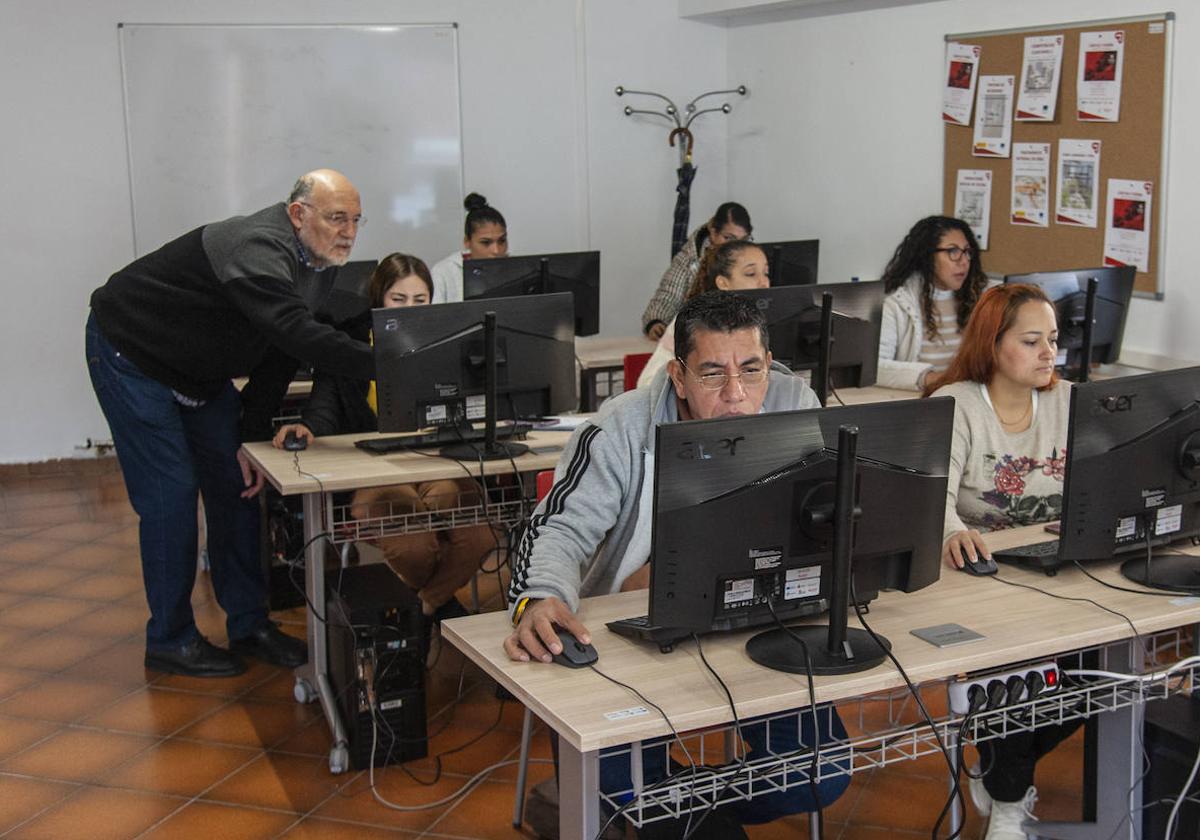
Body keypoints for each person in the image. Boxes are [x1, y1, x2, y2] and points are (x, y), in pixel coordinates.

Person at [506, 292, 849, 835]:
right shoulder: (621, 427)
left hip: (759, 615)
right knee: (636, 796)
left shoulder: (794, 401)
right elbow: (558, 527)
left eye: (751, 370)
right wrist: (540, 594)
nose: (737, 395)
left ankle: (667, 807)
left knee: (819, 773)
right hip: (635, 634)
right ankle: (647, 807)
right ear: (679, 376)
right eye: (712, 374)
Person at [86, 169, 374, 678]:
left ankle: (248, 624)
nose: (348, 232)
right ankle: (170, 639)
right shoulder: (257, 246)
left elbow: (280, 350)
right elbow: (297, 333)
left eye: (355, 220)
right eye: (336, 218)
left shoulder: (319, 262)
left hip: (199, 373)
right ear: (298, 215)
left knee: (241, 484)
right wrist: (390, 364)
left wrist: (250, 436)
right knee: (171, 497)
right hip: (131, 353)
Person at [926, 283, 1074, 840]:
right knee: (1018, 678)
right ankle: (1009, 802)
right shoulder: (958, 404)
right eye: (1032, 340)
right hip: (983, 576)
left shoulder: (1068, 400)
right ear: (993, 344)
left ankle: (995, 766)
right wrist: (952, 532)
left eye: (1053, 340)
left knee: (1109, 675)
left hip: (1056, 568)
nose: (1047, 353)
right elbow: (933, 491)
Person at [272, 253, 495, 620]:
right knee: (413, 548)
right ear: (379, 300)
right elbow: (326, 403)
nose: (410, 309)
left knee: (482, 534)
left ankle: (424, 607)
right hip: (371, 469)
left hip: (435, 462)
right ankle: (441, 609)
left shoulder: (446, 342)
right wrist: (308, 427)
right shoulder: (349, 342)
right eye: (399, 299)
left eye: (420, 301)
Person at [878, 215, 992, 391]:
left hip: (970, 397)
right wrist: (933, 379)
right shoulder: (898, 303)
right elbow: (877, 367)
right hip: (924, 402)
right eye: (953, 251)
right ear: (927, 256)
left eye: (967, 252)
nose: (964, 261)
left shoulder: (981, 298)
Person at [637, 239, 769, 388]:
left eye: (766, 273)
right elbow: (646, 384)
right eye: (751, 274)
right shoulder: (692, 321)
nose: (764, 282)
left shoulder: (765, 322)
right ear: (723, 283)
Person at [641, 202, 753, 340]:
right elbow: (668, 295)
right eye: (728, 238)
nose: (734, 246)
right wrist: (655, 322)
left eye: (743, 240)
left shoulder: (754, 259)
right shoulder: (690, 258)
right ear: (713, 231)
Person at [430, 192, 508, 303]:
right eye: (485, 243)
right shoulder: (443, 272)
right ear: (467, 242)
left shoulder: (518, 268)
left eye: (502, 241)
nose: (496, 250)